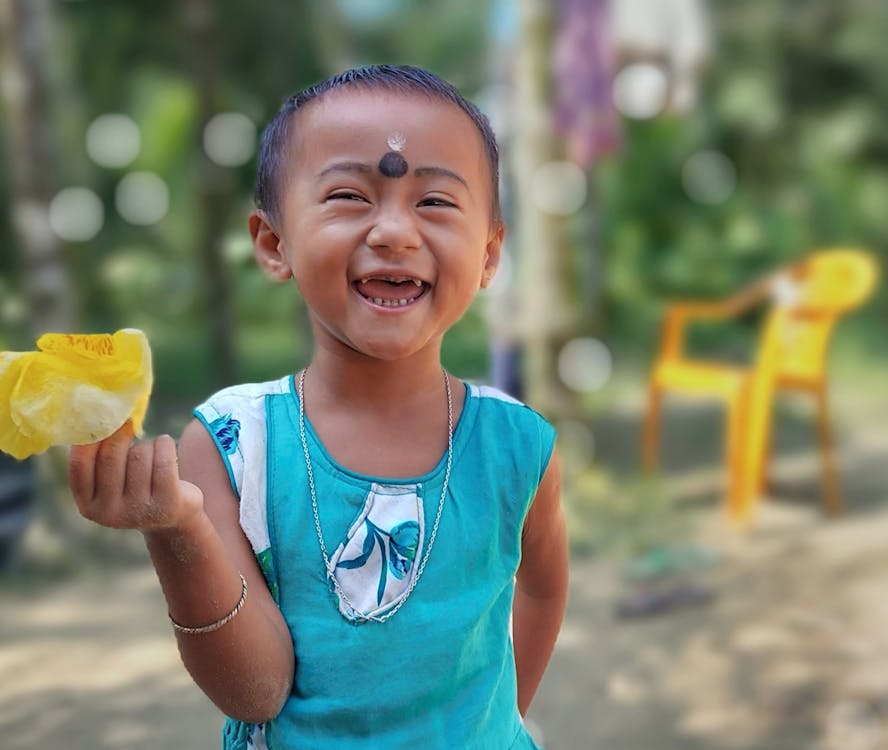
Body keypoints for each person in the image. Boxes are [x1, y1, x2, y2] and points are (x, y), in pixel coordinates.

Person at [67, 64, 568, 749]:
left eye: (435, 203)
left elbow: (541, 588)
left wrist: (498, 722)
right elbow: (257, 690)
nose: (394, 231)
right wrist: (177, 531)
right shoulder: (229, 445)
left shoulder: (517, 446)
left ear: (487, 255)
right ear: (275, 244)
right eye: (347, 196)